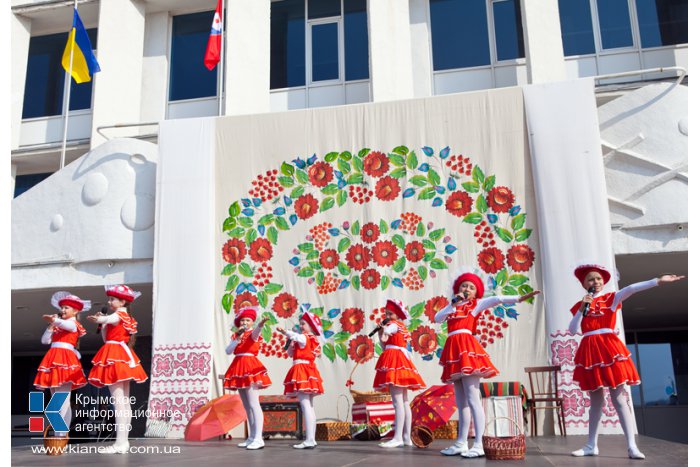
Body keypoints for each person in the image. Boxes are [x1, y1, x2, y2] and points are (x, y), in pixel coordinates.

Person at [567, 264, 684, 460]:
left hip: (609, 348)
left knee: (619, 398)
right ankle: (590, 445)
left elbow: (631, 289)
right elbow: (572, 330)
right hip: (590, 350)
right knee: (596, 401)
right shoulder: (581, 305)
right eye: (590, 279)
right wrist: (581, 310)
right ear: (584, 284)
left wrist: (657, 281)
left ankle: (631, 446)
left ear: (603, 282)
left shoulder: (611, 298)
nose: (595, 282)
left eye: (598, 278)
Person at [435, 270, 540, 458]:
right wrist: (452, 304)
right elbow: (437, 318)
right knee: (461, 401)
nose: (466, 289)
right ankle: (461, 442)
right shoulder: (453, 307)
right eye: (464, 286)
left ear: (476, 292)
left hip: (467, 350)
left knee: (473, 398)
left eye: (471, 287)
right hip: (453, 351)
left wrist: (519, 298)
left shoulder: (476, 305)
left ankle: (479, 444)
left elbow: (498, 299)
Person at [87, 285, 148, 454]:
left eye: (113, 299)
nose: (109, 301)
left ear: (122, 301)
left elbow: (110, 320)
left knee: (119, 401)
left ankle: (121, 443)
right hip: (118, 353)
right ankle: (122, 442)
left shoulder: (120, 313)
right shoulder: (119, 315)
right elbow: (107, 336)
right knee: (123, 401)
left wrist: (100, 319)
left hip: (116, 355)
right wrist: (103, 322)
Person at [34, 292, 91, 437]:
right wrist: (50, 327)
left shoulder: (73, 324)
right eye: (62, 308)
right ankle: (60, 435)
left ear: (75, 311)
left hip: (65, 360)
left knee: (63, 401)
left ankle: (61, 436)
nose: (63, 310)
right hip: (53, 359)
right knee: (55, 403)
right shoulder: (58, 325)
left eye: (66, 308)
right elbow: (45, 341)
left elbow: (67, 325)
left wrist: (54, 320)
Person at [372, 298, 426, 448]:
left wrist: (384, 331)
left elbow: (387, 334)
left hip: (395, 362)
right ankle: (406, 437)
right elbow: (384, 345)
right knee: (403, 401)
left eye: (391, 313)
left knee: (398, 402)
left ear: (397, 315)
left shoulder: (394, 325)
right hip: (397, 359)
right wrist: (380, 333)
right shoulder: (399, 326)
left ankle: (398, 438)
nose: (388, 316)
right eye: (386, 313)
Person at [223, 306, 271, 450]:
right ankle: (251, 437)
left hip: (250, 367)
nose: (245, 322)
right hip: (238, 367)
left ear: (252, 322)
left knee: (254, 403)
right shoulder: (237, 336)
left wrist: (260, 325)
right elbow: (228, 351)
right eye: (243, 320)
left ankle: (258, 438)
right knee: (246, 405)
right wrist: (237, 338)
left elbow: (256, 334)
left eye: (248, 320)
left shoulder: (252, 333)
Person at [276, 310, 325, 449]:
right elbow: (290, 353)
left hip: (303, 371)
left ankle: (310, 439)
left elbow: (297, 337)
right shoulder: (303, 338)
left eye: (303, 324)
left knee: (305, 404)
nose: (301, 326)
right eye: (301, 324)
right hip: (306, 370)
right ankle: (311, 438)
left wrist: (284, 331)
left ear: (310, 326)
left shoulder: (306, 337)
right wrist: (291, 344)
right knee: (308, 405)